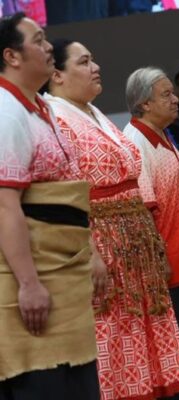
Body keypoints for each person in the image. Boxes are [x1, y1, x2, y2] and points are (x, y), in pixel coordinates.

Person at [44, 40, 179, 399]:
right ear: (57, 74)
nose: (95, 67)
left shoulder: (94, 113)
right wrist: (89, 249)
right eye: (84, 61)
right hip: (102, 242)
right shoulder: (54, 117)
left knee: (145, 330)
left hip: (134, 241)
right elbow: (63, 192)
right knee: (113, 333)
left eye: (94, 59)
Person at [0, 13, 99, 399]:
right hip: (31, 274)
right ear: (12, 56)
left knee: (77, 382)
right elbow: (5, 206)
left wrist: (87, 252)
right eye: (39, 40)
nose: (47, 48)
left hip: (64, 267)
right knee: (43, 384)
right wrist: (28, 283)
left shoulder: (41, 108)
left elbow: (65, 195)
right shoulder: (7, 114)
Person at [123, 67, 179, 400]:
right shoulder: (134, 142)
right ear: (144, 103)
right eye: (166, 95)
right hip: (167, 266)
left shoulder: (164, 135)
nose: (176, 100)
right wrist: (159, 258)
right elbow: (142, 211)